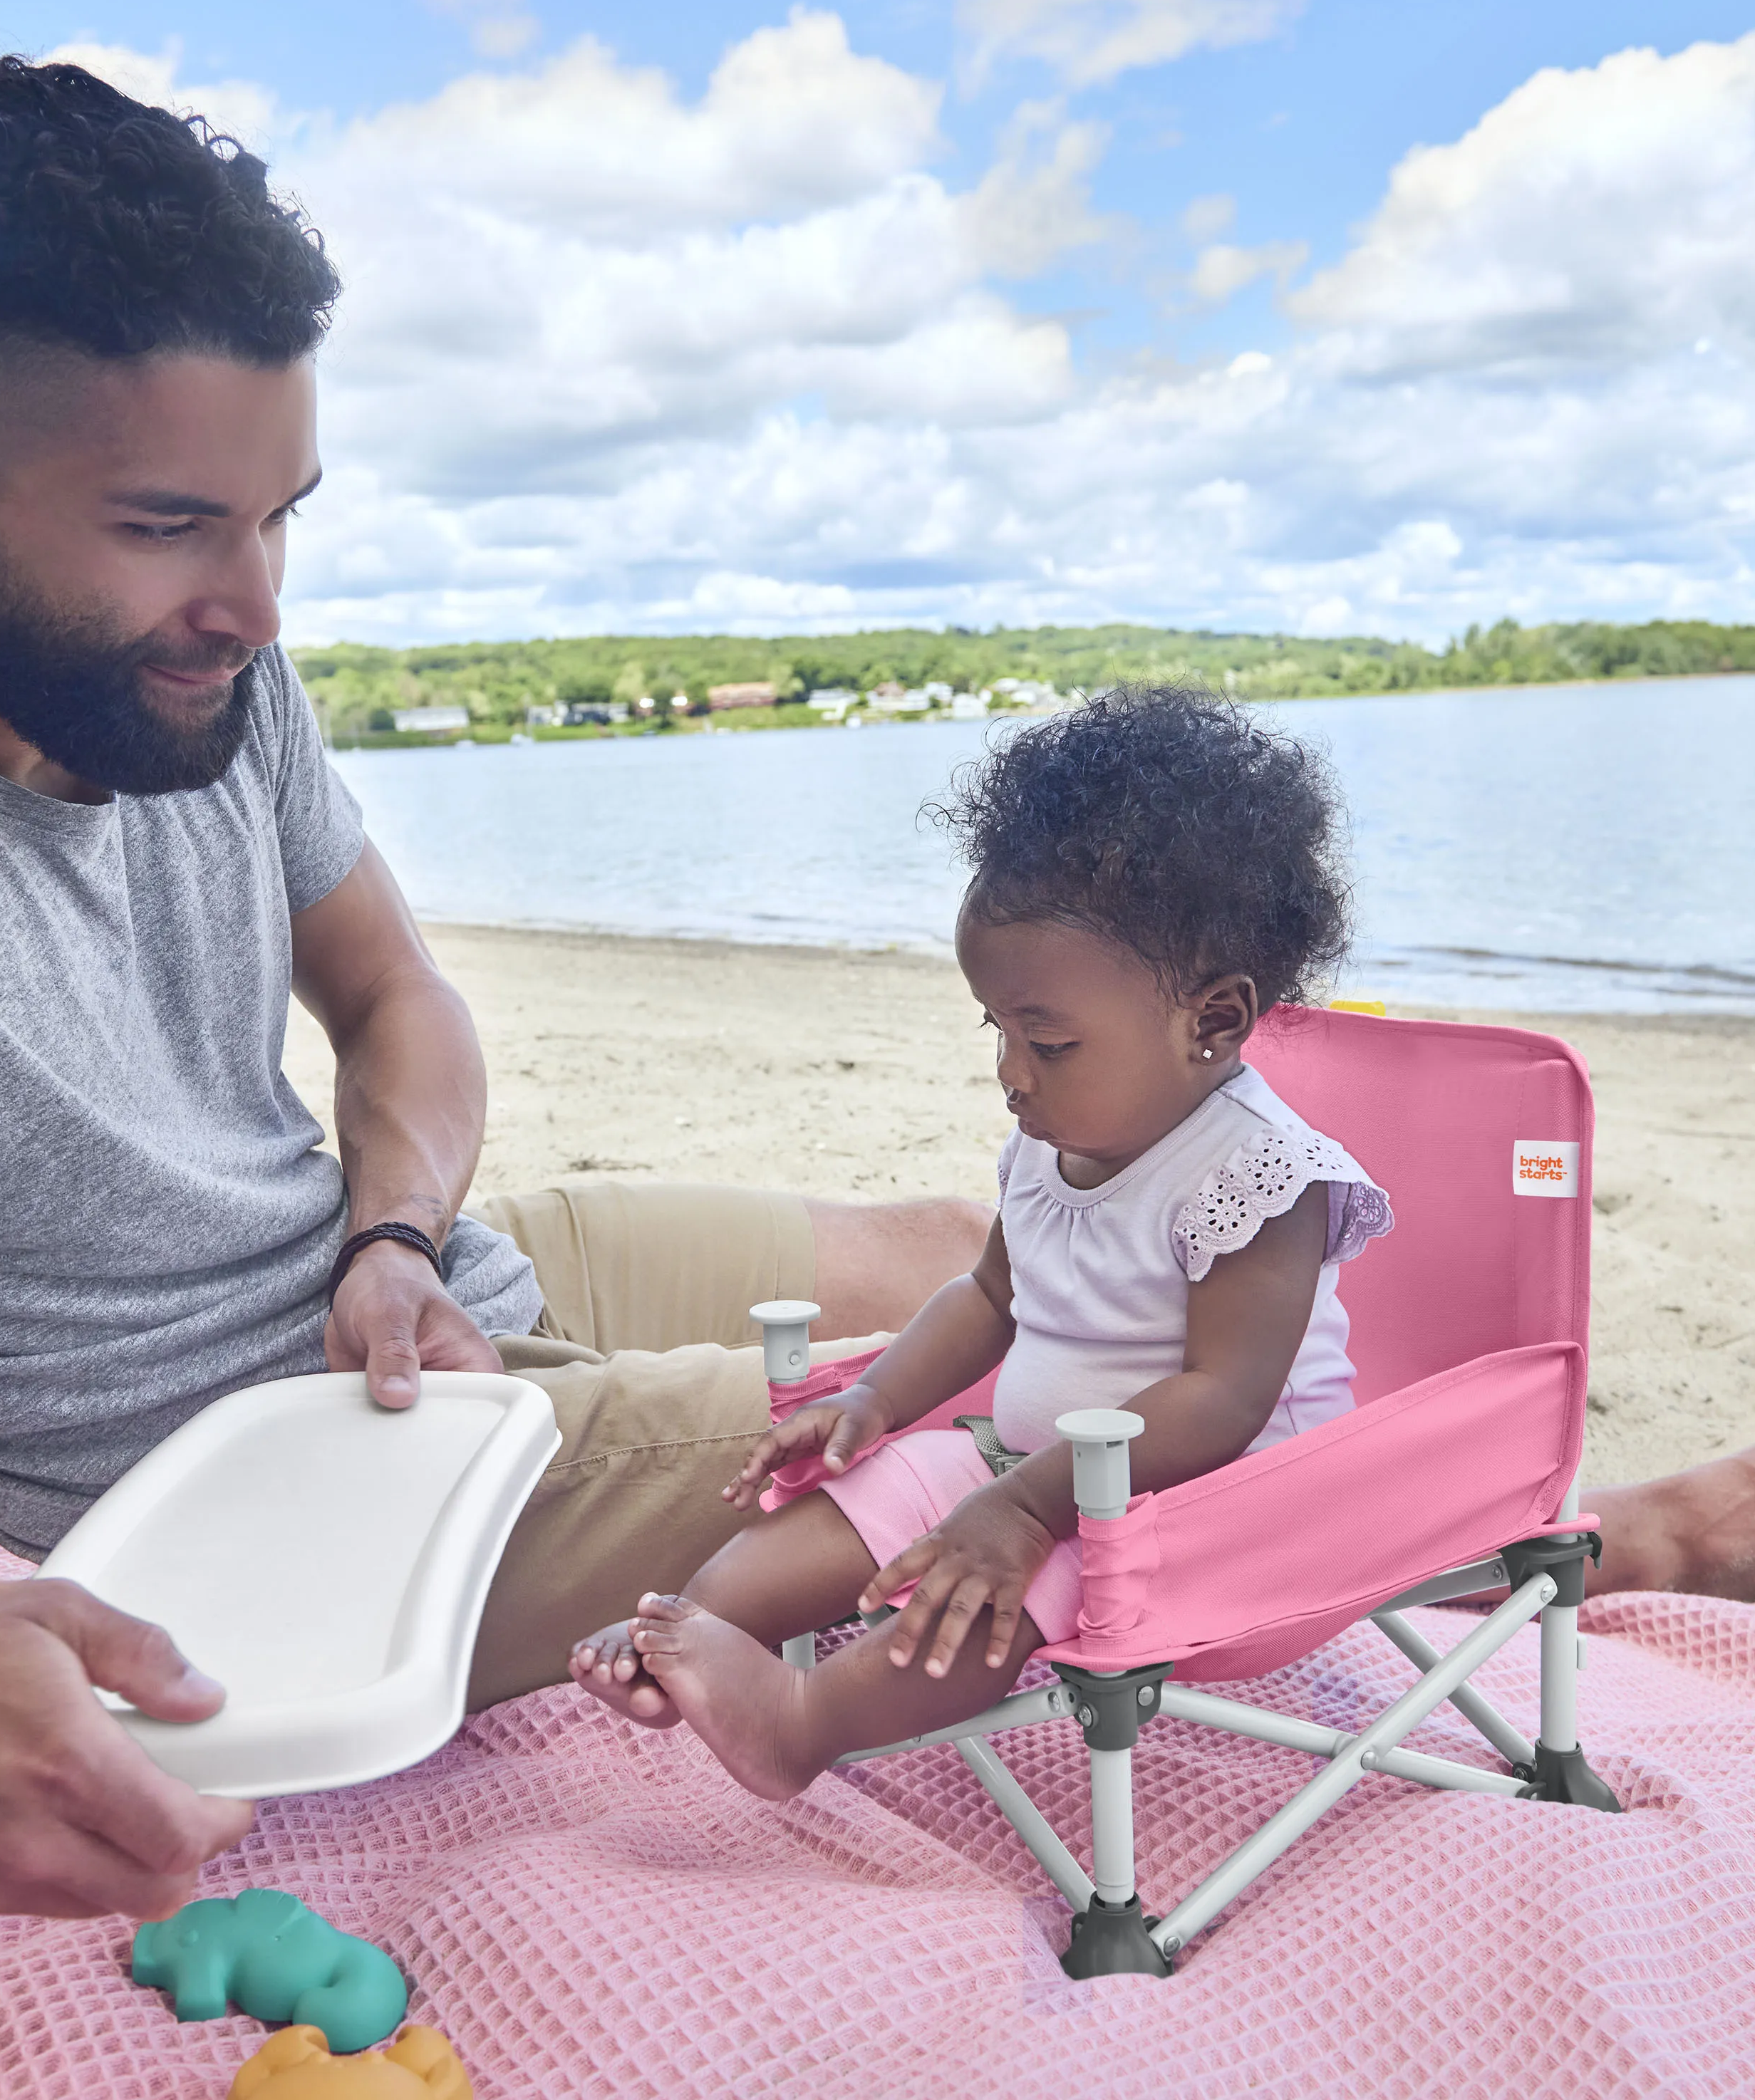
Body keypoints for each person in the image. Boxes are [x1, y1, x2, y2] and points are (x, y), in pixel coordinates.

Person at [0, 58, 986, 1926]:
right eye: (164, 525)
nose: (256, 602)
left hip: (396, 1291)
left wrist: (393, 1232)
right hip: (268, 1507)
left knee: (971, 1248)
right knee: (1023, 1416)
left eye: (280, 511)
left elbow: (395, 1004)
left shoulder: (195, 666)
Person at [571, 690, 1401, 1794]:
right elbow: (989, 1296)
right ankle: (692, 1629)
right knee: (873, 1495)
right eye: (999, 1032)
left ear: (1212, 1021)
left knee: (1009, 1585)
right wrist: (877, 1402)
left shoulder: (1259, 1174)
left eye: (1048, 1042)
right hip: (1038, 1469)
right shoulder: (1050, 1142)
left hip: (1224, 1509)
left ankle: (807, 1720)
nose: (1012, 1074)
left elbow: (1221, 1399)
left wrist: (1017, 1511)